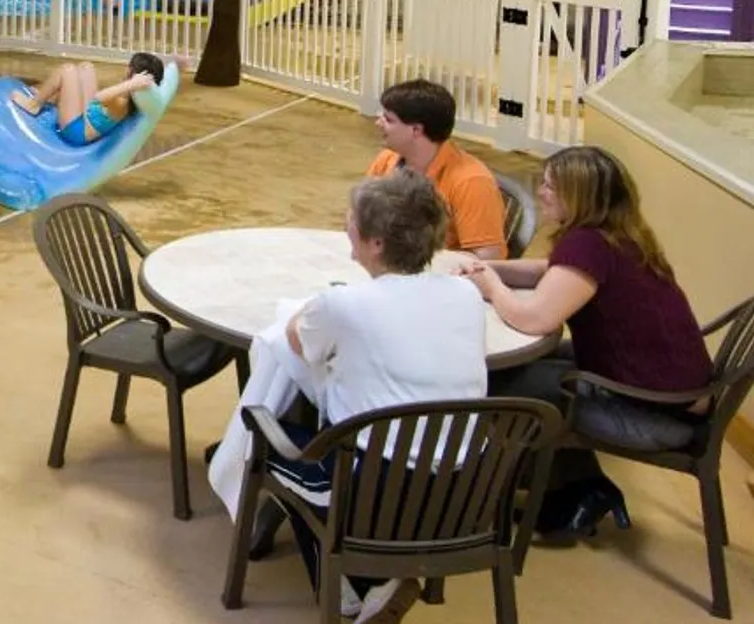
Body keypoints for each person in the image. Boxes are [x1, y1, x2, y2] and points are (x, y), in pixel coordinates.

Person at [463, 145, 713, 542]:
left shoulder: (586, 245)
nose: (541, 192)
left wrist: (491, 285)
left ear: (578, 197)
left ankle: (566, 487)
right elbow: (551, 271)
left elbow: (536, 319)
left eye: (550, 186)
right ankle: (573, 486)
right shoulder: (618, 236)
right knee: (529, 368)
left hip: (655, 417)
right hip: (675, 396)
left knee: (500, 384)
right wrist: (486, 267)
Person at [275, 169, 489, 623]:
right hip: (463, 492)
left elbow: (296, 341)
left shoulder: (344, 304)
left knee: (272, 441)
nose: (346, 225)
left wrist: (314, 308)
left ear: (375, 243)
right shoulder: (466, 295)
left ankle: (348, 593)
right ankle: (376, 583)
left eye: (351, 220)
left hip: (374, 493)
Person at [365, 79, 506, 259]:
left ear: (416, 130)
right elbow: (359, 218)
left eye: (388, 119)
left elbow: (487, 257)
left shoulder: (472, 182)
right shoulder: (387, 159)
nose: (378, 122)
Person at [10, 53, 161, 146]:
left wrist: (131, 84)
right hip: (88, 115)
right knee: (86, 67)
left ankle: (33, 105)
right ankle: (52, 96)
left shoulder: (123, 100)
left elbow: (98, 97)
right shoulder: (131, 97)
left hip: (76, 130)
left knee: (67, 70)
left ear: (131, 71)